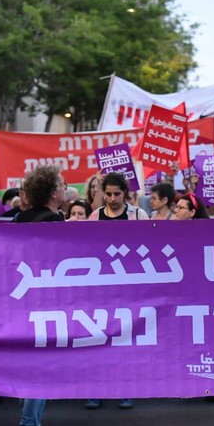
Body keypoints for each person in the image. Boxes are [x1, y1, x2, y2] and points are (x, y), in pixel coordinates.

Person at [12, 166, 64, 426]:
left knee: (30, 371)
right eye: (62, 184)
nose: (64, 188)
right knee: (40, 374)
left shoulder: (20, 220)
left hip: (24, 306)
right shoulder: (54, 224)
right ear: (54, 192)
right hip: (46, 307)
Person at [85, 172, 147, 409]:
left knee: (125, 339)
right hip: (102, 288)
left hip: (130, 286)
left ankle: (125, 388)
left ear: (126, 193)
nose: (112, 199)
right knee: (98, 337)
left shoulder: (138, 215)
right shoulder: (95, 216)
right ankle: (96, 389)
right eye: (108, 194)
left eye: (117, 194)